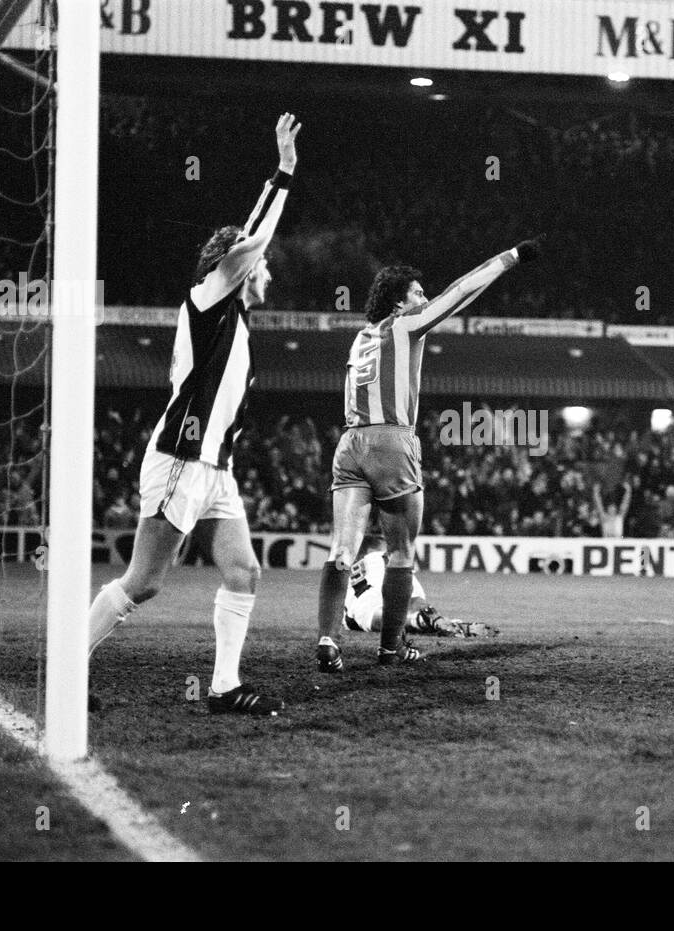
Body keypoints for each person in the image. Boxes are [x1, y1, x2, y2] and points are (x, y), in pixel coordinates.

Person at [84, 113, 301, 715]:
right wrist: (282, 174)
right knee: (145, 582)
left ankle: (224, 687)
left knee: (244, 572)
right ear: (239, 267)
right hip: (183, 458)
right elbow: (252, 240)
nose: (270, 271)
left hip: (215, 469)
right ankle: (68, 666)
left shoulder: (236, 324)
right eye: (261, 264)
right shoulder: (209, 297)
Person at [315, 235, 543, 671]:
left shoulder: (361, 338)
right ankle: (390, 649)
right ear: (398, 305)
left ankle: (327, 641)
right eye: (417, 294)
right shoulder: (403, 325)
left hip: (349, 445)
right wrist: (510, 257)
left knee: (342, 550)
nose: (424, 299)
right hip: (391, 443)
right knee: (401, 552)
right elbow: (458, 293)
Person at [342, 532, 499, 639]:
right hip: (373, 590)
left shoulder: (350, 569)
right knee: (415, 604)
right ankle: (438, 622)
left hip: (354, 608)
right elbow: (416, 599)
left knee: (374, 618)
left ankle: (421, 621)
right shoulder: (383, 557)